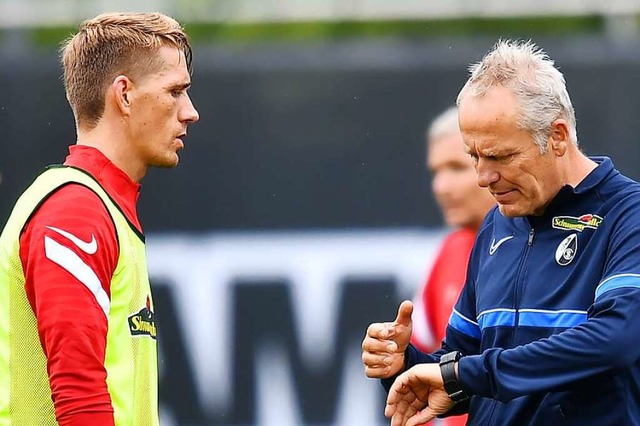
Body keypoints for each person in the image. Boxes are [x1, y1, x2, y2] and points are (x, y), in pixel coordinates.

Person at [362, 39, 640, 426]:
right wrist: (409, 365)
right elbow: (465, 364)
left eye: (499, 156)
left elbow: (618, 339)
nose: (483, 177)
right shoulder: (497, 223)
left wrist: (468, 374)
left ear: (557, 136)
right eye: (474, 155)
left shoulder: (629, 214)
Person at [0, 12, 199, 425]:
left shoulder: (99, 206)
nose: (190, 112)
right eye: (175, 91)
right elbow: (79, 397)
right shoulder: (74, 212)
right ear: (123, 95)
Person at [410, 107, 495, 426]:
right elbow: (422, 361)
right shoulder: (449, 252)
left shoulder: (547, 248)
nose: (441, 186)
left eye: (457, 168)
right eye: (435, 172)